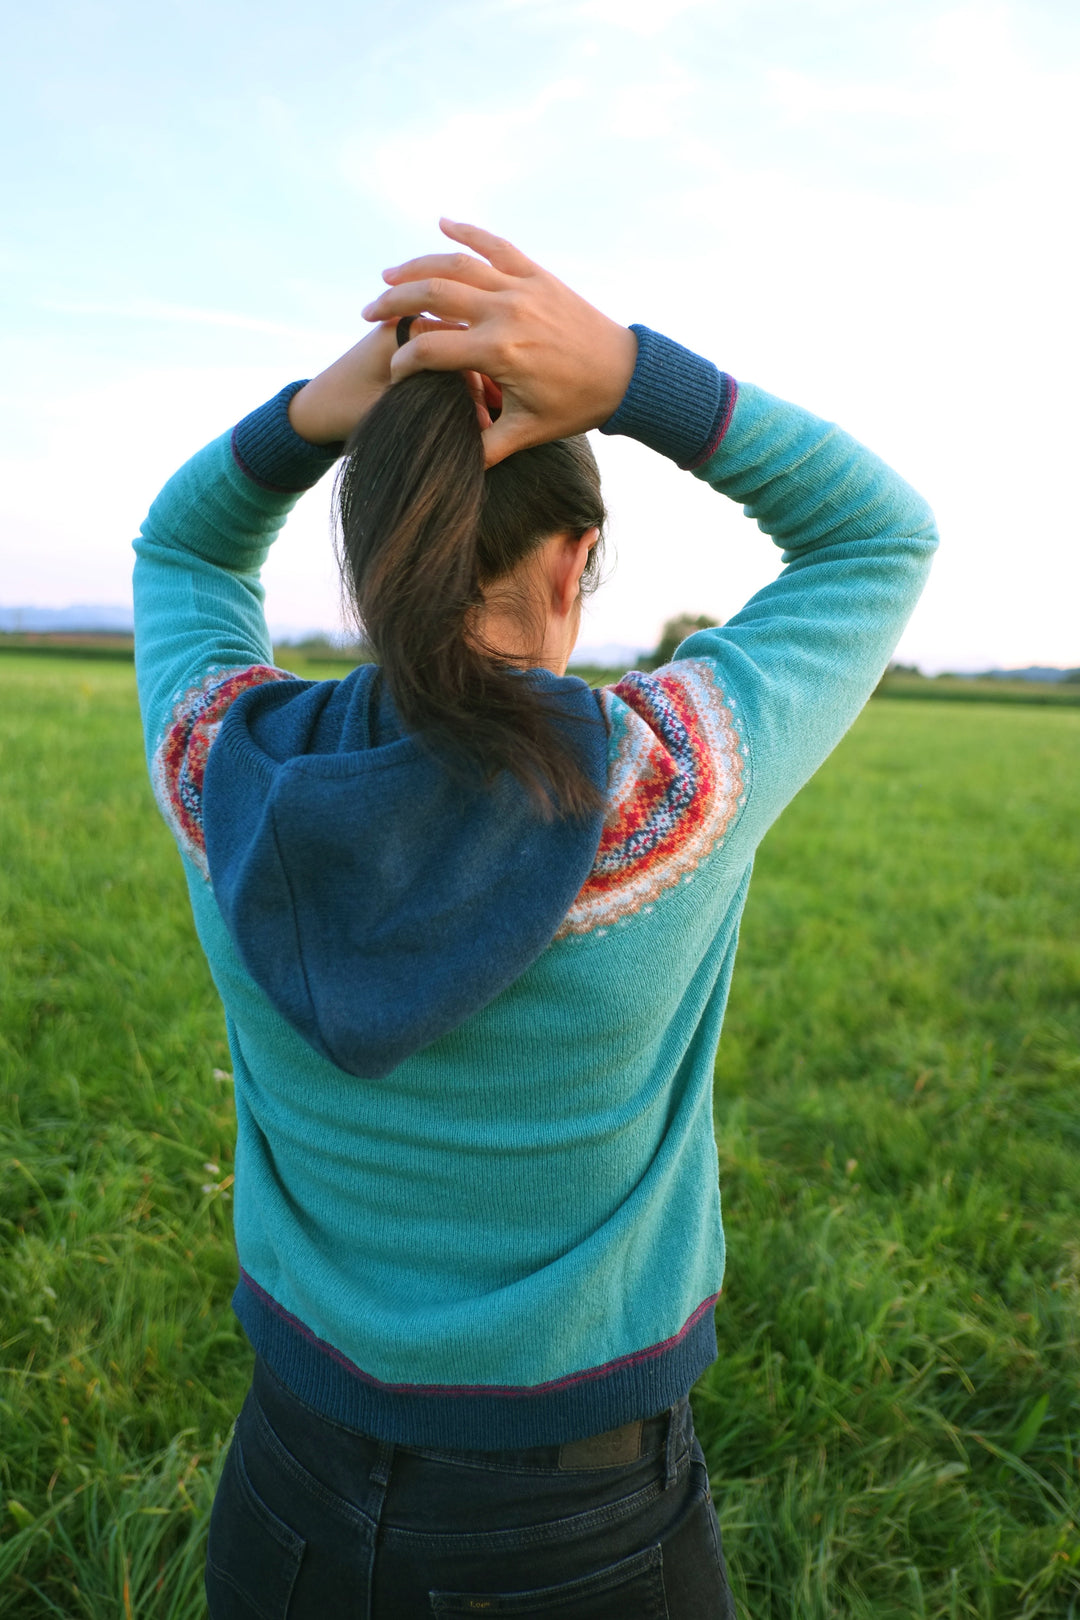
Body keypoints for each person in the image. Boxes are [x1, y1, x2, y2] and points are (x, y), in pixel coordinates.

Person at [132, 220, 937, 1618]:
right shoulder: (669, 786)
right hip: (583, 1513)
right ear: (575, 563)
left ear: (372, 556)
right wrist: (628, 374)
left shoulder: (230, 773)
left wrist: (321, 413)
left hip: (289, 1484)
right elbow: (880, 534)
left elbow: (182, 557)